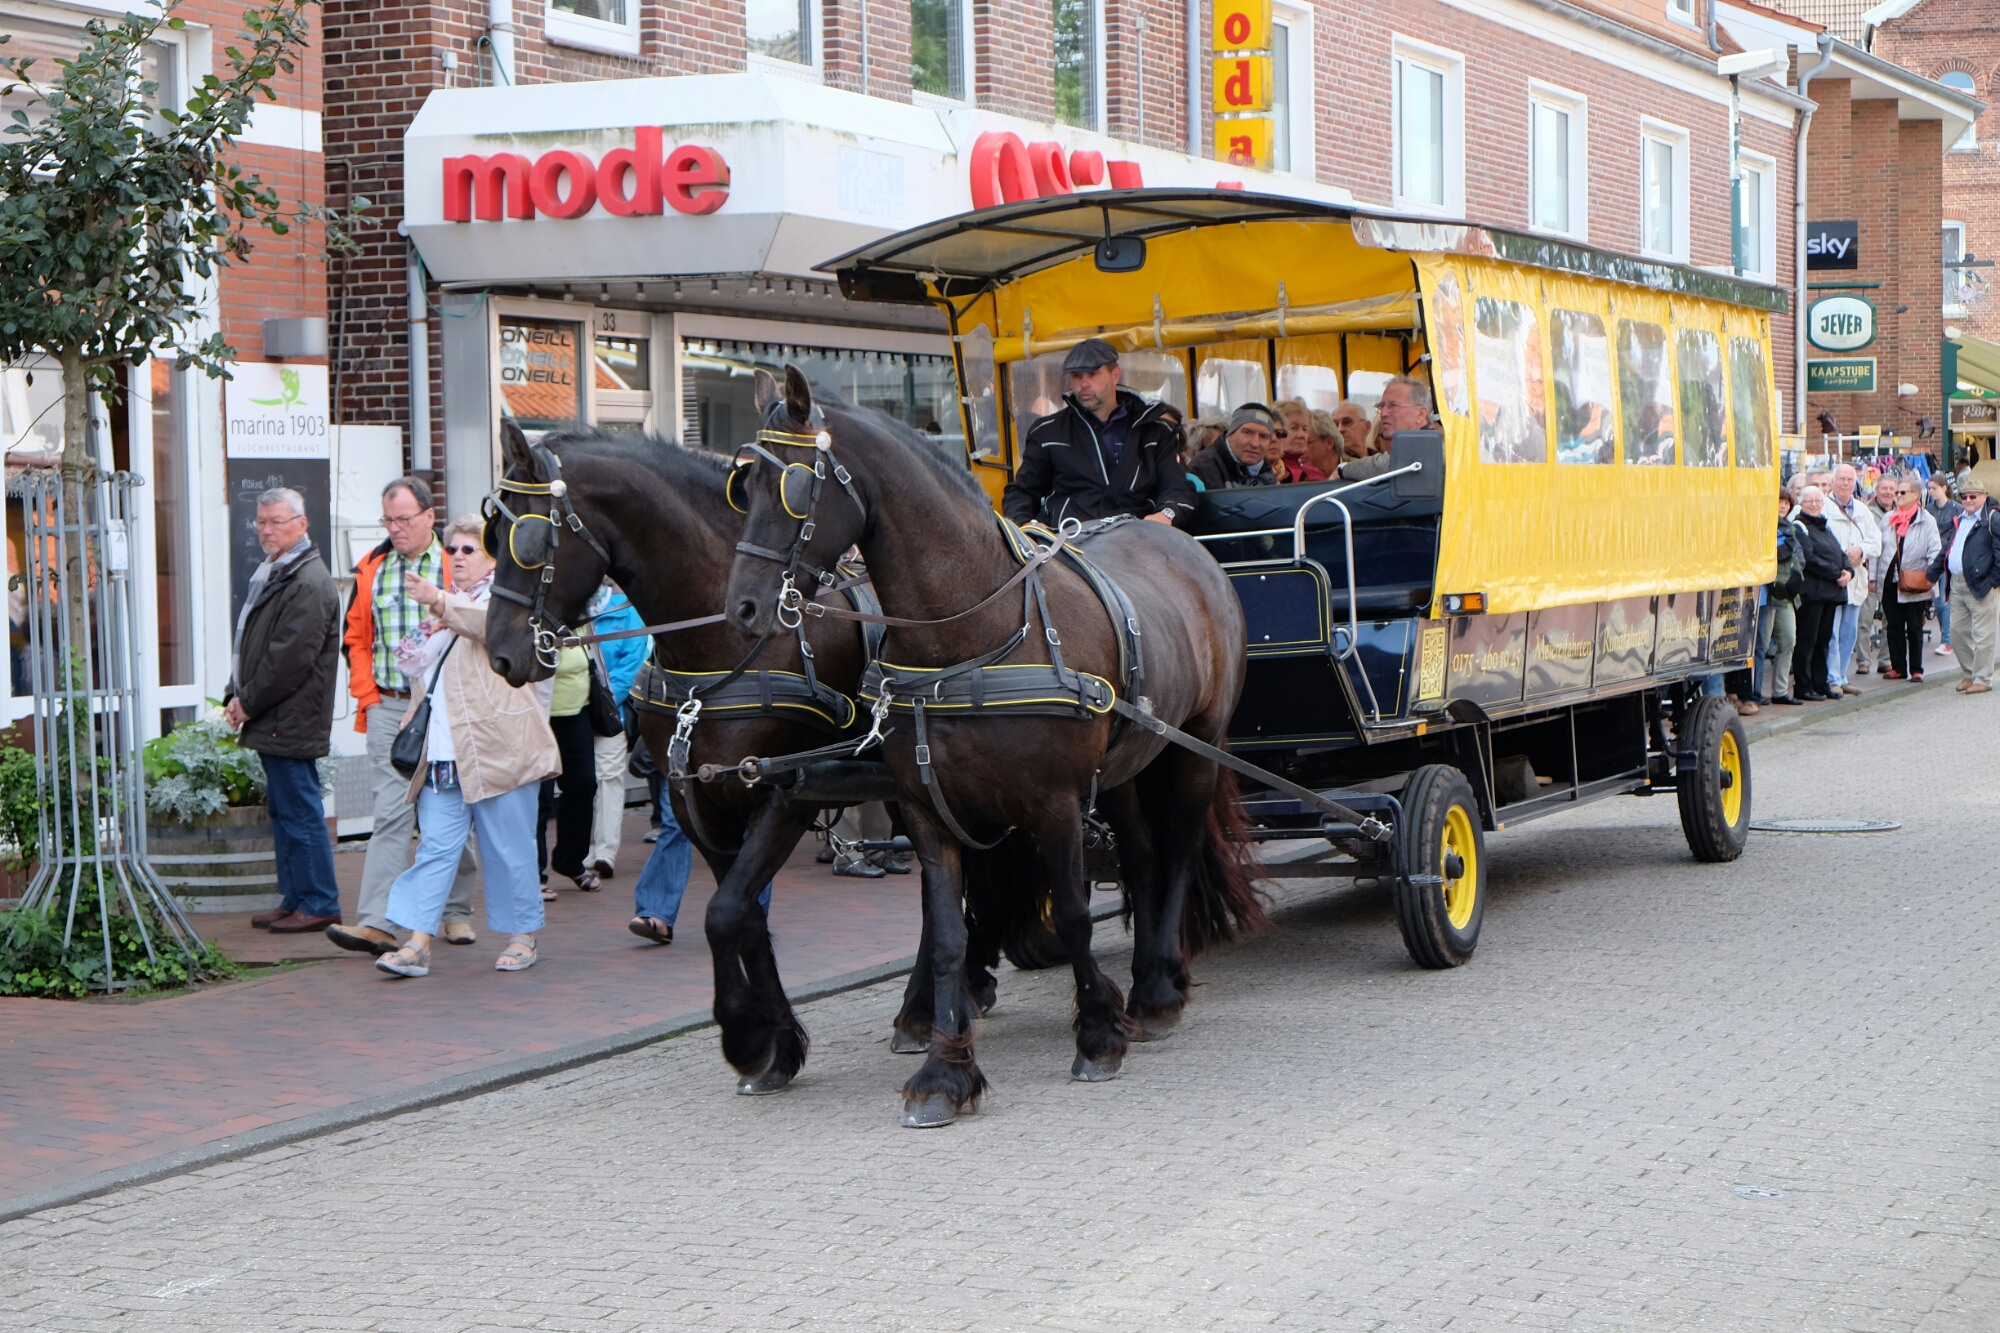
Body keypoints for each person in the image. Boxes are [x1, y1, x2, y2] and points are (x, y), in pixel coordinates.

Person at [375, 516, 561, 978]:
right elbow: (422, 663)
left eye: (468, 550)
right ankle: (418, 943)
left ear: (492, 558)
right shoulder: (450, 604)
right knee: (436, 848)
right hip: (443, 752)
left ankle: (522, 937)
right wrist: (416, 702)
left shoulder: (508, 602)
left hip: (500, 749)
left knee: (509, 847)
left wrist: (439, 603)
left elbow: (493, 628)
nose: (457, 557)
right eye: (452, 550)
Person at [327, 478, 479, 956]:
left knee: (447, 808)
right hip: (389, 704)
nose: (394, 529)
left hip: (446, 703)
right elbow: (355, 638)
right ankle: (375, 921)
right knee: (392, 812)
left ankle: (455, 911)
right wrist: (368, 698)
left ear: (429, 517)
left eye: (403, 519)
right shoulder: (373, 567)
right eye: (387, 520)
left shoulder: (454, 562)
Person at [225, 488, 344, 933]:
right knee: (284, 809)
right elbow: (254, 647)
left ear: (302, 524)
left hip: (288, 716)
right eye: (261, 522)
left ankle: (319, 901)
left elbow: (288, 659)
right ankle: (296, 898)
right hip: (275, 714)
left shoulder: (308, 581)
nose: (266, 530)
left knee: (299, 809)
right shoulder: (279, 573)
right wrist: (234, 693)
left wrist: (247, 701)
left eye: (276, 521)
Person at [1001, 339, 1195, 528]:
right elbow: (1022, 491)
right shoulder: (1047, 432)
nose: (1084, 383)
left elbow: (1177, 486)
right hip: (1070, 543)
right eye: (1077, 376)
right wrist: (1026, 523)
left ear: (1115, 375)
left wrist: (1166, 514)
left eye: (1092, 374)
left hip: (1137, 541)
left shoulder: (1157, 431)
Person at [584, 581, 647, 880]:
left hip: (609, 711)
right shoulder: (571, 607)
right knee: (581, 782)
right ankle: (582, 848)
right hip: (571, 710)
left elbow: (631, 663)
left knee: (609, 778)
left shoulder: (628, 612)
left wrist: (605, 702)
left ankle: (605, 852)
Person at [1928, 465, 1998, 694]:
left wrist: (1992, 582)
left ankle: (1982, 678)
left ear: (1984, 496)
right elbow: (1948, 548)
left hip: (1981, 584)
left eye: (1973, 496)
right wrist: (1932, 572)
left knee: (1983, 635)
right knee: (1956, 633)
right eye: (1964, 496)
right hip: (1956, 583)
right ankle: (1969, 673)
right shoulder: (1959, 518)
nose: (1968, 500)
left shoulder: (1993, 518)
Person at [538, 636, 600, 894]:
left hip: (578, 710)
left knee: (584, 785)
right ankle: (534, 874)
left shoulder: (581, 609)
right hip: (539, 713)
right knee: (539, 796)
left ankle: (569, 860)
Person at [1821, 464, 1881, 697]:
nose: (1846, 483)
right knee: (1832, 631)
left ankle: (1842, 675)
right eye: (1842, 479)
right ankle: (1832, 677)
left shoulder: (1862, 510)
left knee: (1849, 632)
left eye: (1850, 479)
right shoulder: (1823, 506)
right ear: (1832, 482)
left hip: (1856, 579)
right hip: (1833, 579)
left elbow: (1876, 541)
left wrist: (1860, 550)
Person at [1790, 486, 1852, 702]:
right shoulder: (1799, 526)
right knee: (1807, 641)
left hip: (1830, 594)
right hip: (1812, 594)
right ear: (1801, 504)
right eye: (1809, 501)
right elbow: (1809, 558)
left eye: (1818, 500)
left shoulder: (1825, 527)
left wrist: (1849, 572)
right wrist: (1837, 573)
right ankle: (1803, 686)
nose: (1815, 505)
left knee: (1824, 641)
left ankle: (1821, 683)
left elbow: (1840, 553)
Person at [1878, 475, 1940, 683]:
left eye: (1902, 492)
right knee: (1893, 625)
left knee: (1914, 626)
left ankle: (1916, 669)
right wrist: (1872, 578)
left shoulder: (1926, 520)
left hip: (1915, 581)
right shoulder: (1888, 519)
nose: (1898, 496)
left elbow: (1935, 550)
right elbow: (1878, 550)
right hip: (1890, 579)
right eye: (1897, 492)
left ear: (1915, 494)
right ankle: (1898, 667)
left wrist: (1932, 575)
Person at [1338, 376, 1436, 482]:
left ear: (1420, 413)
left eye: (1393, 406)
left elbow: (1387, 464)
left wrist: (1342, 470)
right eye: (1382, 405)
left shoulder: (1430, 446)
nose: (1383, 413)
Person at [1756, 490, 1802, 706]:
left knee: (1789, 639)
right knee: (1761, 644)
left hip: (1785, 594)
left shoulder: (1791, 528)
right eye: (1779, 501)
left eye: (1786, 502)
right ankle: (1754, 692)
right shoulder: (1762, 526)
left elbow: (1800, 557)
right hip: (1767, 592)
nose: (1783, 506)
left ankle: (1780, 690)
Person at [1852, 474, 1899, 676]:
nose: (1888, 492)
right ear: (1876, 490)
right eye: (1884, 488)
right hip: (1869, 571)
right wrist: (1870, 575)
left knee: (1891, 619)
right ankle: (1863, 660)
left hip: (1891, 573)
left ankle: (1885, 659)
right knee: (1865, 618)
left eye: (1892, 489)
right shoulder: (1864, 512)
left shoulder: (1901, 512)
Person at [1188, 403, 1282, 489]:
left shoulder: (1265, 469)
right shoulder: (1202, 469)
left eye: (1263, 436)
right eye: (1247, 432)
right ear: (1230, 435)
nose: (1255, 443)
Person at [1926, 474, 1961, 658]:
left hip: (1947, 558)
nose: (1931, 491)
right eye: (1929, 488)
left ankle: (1947, 640)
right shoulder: (1928, 509)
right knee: (1939, 601)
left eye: (1934, 488)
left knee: (1942, 601)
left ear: (1944, 488)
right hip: (1931, 557)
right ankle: (1947, 639)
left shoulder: (1956, 509)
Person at [1304, 410, 1343, 481]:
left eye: (1306, 443)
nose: (1300, 450)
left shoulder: (1355, 470)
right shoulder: (1294, 477)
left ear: (1329, 443)